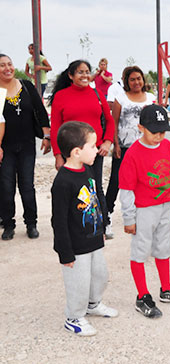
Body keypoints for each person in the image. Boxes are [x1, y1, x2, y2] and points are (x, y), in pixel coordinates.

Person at [119, 104, 170, 318]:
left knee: (163, 247)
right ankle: (142, 295)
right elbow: (127, 190)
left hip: (164, 206)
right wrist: (129, 218)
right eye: (154, 132)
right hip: (144, 209)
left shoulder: (167, 146)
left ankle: (166, 289)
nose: (159, 136)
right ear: (141, 127)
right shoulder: (133, 153)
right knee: (141, 250)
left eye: (162, 131)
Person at [51, 121, 118, 337]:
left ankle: (93, 304)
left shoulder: (87, 169)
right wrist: (64, 251)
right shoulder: (62, 182)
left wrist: (102, 227)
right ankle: (74, 317)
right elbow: (58, 220)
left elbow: (96, 197)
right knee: (78, 283)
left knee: (99, 275)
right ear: (77, 152)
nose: (97, 149)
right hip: (75, 246)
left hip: (94, 238)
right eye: (92, 146)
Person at [50, 60, 115, 212]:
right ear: (70, 75)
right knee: (75, 189)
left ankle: (103, 224)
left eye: (87, 72)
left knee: (96, 187)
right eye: (80, 72)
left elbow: (110, 120)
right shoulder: (61, 96)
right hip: (72, 153)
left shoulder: (97, 94)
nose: (85, 75)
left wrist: (107, 142)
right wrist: (58, 156)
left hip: (94, 151)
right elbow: (55, 129)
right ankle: (77, 223)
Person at [0, 54, 51, 241]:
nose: (7, 68)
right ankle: (8, 224)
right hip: (5, 148)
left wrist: (47, 136)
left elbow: (40, 111)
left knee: (27, 186)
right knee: (6, 187)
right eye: (2, 65)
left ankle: (31, 223)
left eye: (10, 64)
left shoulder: (26, 87)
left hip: (28, 145)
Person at [104, 66, 154, 239]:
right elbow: (115, 122)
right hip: (125, 148)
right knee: (116, 181)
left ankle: (143, 217)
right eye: (132, 79)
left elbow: (154, 125)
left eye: (139, 78)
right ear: (127, 81)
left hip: (146, 149)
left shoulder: (151, 99)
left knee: (144, 183)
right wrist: (116, 144)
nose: (136, 82)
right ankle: (106, 216)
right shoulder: (120, 99)